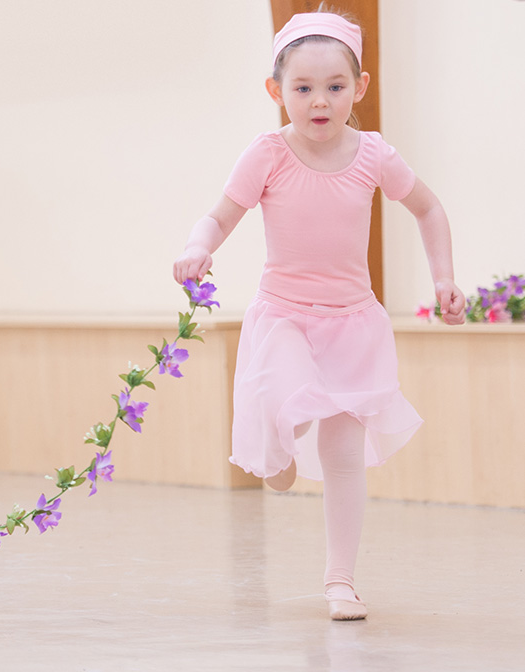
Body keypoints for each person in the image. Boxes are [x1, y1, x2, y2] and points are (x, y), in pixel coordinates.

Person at [173, 9, 465, 621]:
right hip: (284, 316)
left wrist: (443, 279)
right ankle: (278, 450)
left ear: (359, 87)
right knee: (283, 405)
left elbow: (429, 208)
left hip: (353, 323)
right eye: (303, 88)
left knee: (344, 453)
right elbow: (220, 216)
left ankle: (341, 581)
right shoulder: (268, 154)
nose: (320, 101)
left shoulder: (373, 154)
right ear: (277, 91)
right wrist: (199, 246)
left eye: (335, 86)